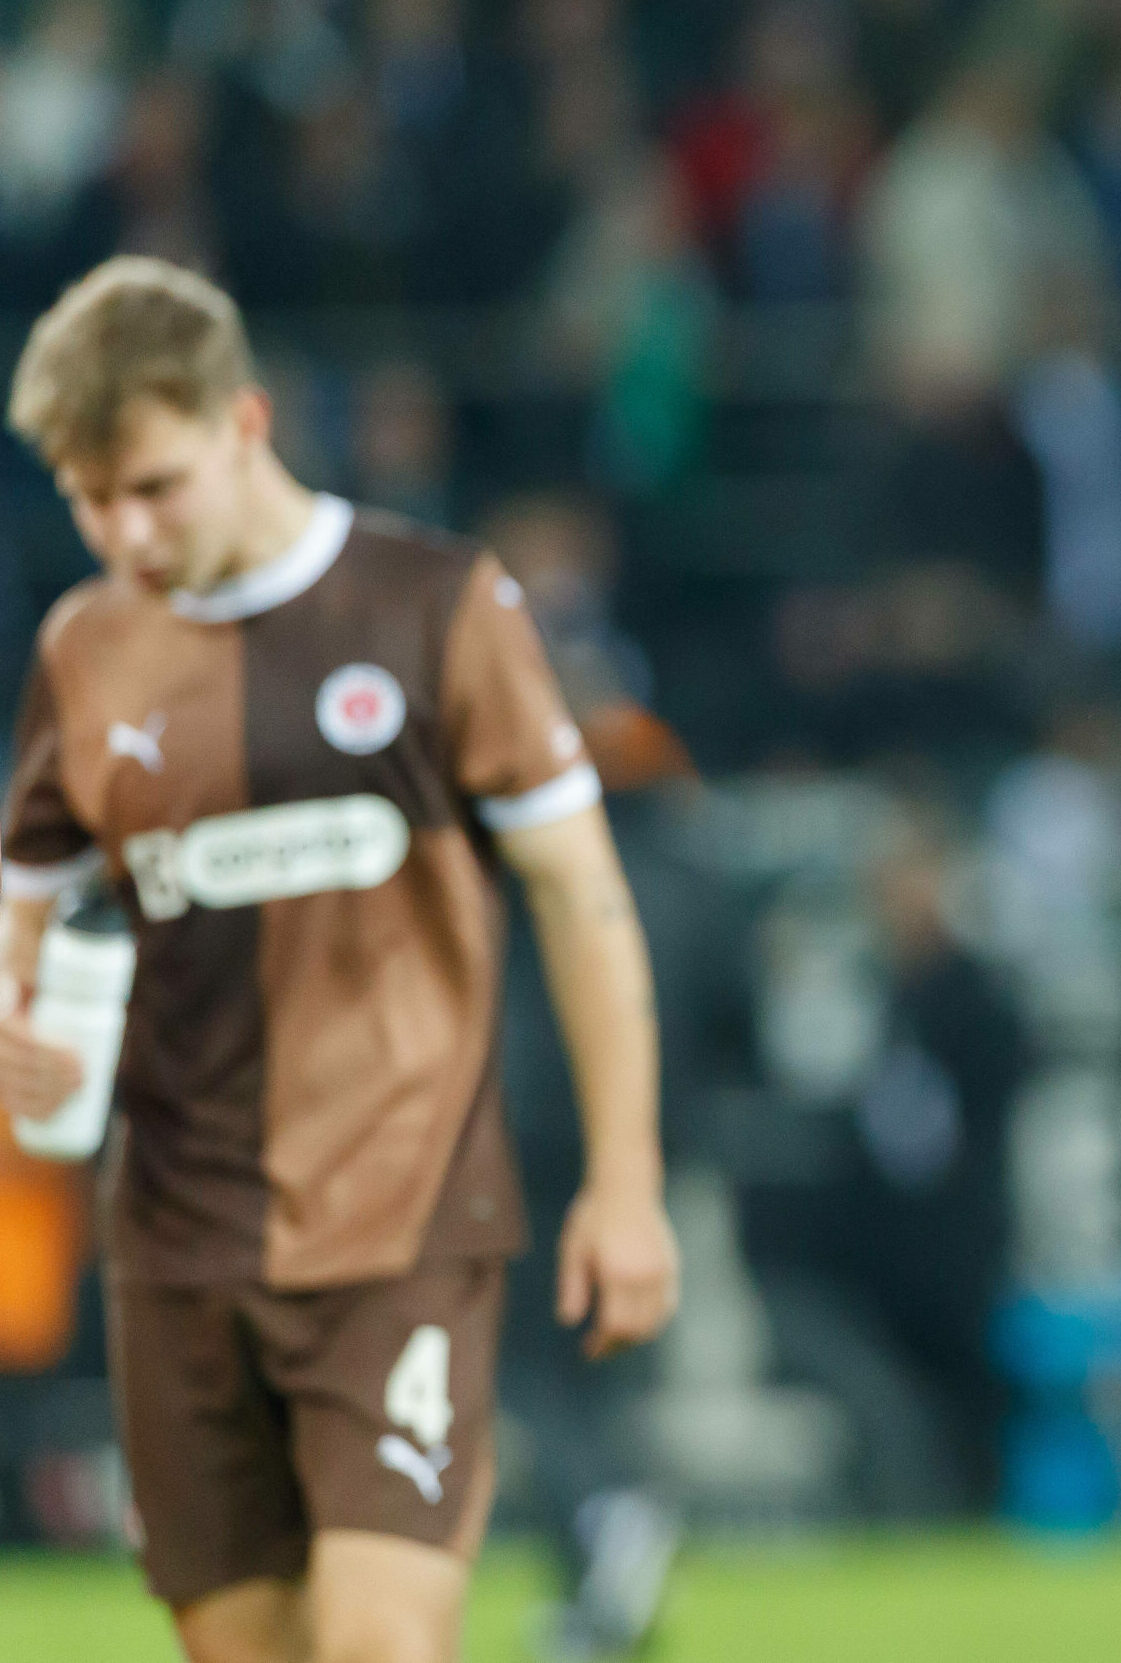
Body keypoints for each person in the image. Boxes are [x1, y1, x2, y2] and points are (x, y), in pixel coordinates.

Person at [0, 256, 679, 1663]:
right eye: (87, 495)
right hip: (174, 1247)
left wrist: (625, 1182)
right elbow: (20, 911)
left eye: (154, 486)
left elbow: (581, 891)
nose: (122, 530)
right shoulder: (83, 652)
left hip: (400, 1225)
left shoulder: (434, 606)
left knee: (380, 1645)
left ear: (244, 422)